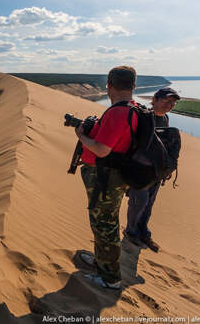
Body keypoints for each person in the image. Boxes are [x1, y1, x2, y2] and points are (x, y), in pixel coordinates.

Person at [74, 65, 139, 290]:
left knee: (105, 225)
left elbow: (102, 150)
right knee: (105, 222)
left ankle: (110, 278)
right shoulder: (135, 108)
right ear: (133, 85)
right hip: (115, 176)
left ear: (109, 85)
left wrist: (82, 136)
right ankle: (102, 261)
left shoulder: (117, 112)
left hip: (105, 178)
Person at [124, 87, 180, 252]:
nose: (169, 105)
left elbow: (164, 147)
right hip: (140, 171)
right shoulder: (143, 117)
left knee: (149, 204)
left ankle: (143, 232)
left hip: (156, 173)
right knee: (138, 203)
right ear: (155, 99)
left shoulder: (166, 119)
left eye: (173, 103)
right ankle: (131, 232)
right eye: (166, 101)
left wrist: (167, 168)